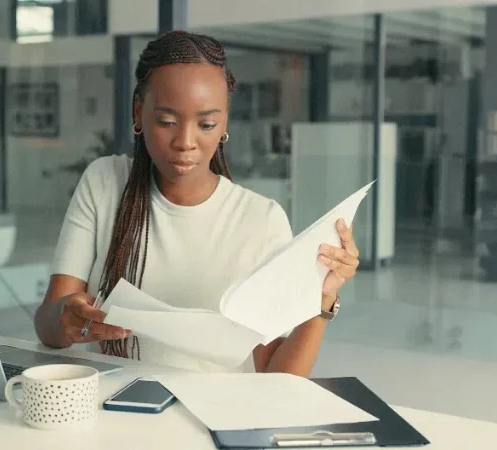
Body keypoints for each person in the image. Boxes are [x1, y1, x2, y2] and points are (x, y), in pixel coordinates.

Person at [34, 30, 359, 377]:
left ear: (224, 124)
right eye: (167, 121)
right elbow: (48, 327)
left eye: (206, 124)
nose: (186, 142)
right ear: (139, 110)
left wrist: (321, 300)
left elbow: (277, 377)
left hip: (211, 420)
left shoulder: (261, 220)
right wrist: (66, 320)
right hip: (109, 413)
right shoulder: (104, 182)